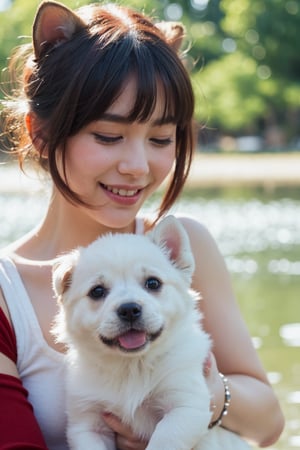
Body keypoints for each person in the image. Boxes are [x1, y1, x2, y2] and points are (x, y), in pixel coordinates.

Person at [0, 1, 284, 449]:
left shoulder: (184, 244)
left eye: (160, 139)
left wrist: (206, 397)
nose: (137, 166)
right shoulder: (6, 291)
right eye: (108, 136)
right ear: (41, 133)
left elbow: (267, 422)